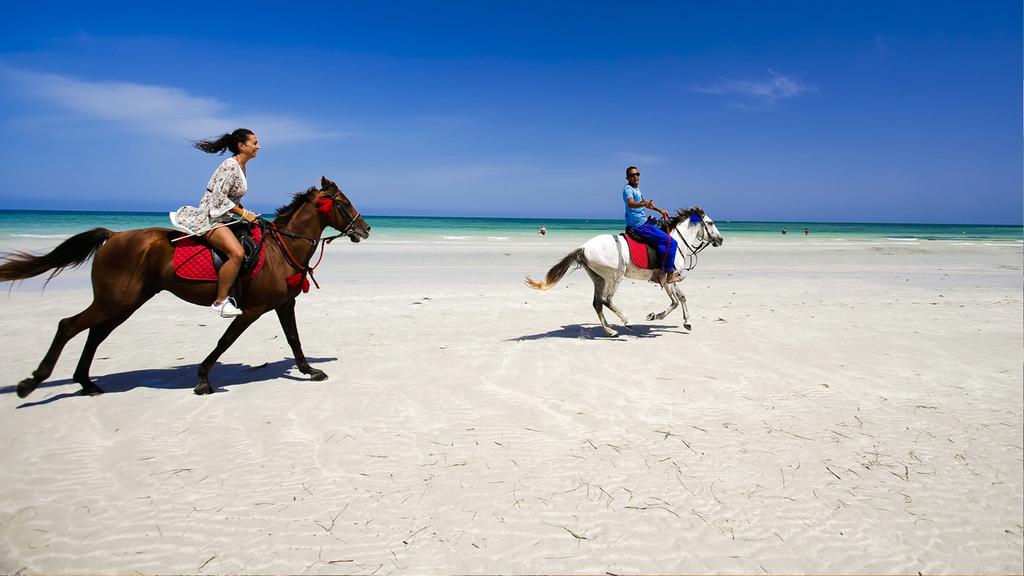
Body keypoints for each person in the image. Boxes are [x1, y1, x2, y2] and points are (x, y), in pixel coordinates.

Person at [171, 128, 260, 318]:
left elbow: (232, 198)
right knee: (237, 253)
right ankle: (220, 302)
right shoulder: (230, 165)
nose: (258, 146)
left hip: (224, 217)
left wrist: (247, 213)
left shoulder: (242, 166)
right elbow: (219, 198)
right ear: (241, 146)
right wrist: (243, 213)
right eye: (254, 143)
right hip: (211, 218)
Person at [622, 166, 681, 285]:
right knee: (672, 243)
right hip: (640, 225)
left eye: (637, 174)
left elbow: (647, 204)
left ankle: (658, 267)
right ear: (627, 178)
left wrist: (660, 210)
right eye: (632, 175)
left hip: (644, 222)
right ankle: (669, 275)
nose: (635, 177)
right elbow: (631, 204)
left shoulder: (636, 189)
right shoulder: (628, 189)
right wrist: (643, 203)